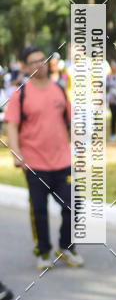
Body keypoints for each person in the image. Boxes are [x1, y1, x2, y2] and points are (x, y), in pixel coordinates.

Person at [4, 46, 84, 270]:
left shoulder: (59, 90)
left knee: (73, 206)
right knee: (39, 210)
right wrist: (16, 154)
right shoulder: (21, 93)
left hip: (62, 161)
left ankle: (66, 246)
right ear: (26, 66)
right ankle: (44, 251)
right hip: (35, 163)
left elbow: (71, 122)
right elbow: (11, 125)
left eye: (43, 60)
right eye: (33, 61)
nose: (40, 64)